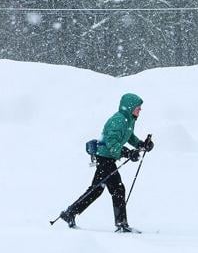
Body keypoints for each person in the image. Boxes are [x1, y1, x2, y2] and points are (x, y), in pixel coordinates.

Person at [60, 93, 154, 233]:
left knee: (97, 189)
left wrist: (141, 144)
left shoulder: (129, 120)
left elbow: (129, 136)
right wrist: (126, 153)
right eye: (138, 107)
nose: (140, 110)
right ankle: (121, 224)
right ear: (130, 107)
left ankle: (70, 213)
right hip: (105, 158)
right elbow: (111, 142)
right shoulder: (118, 120)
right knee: (117, 189)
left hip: (108, 158)